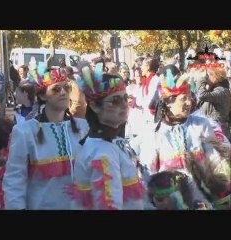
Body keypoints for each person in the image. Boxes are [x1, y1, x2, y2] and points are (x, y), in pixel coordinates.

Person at [136, 70, 230, 209]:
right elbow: (148, 174)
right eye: (183, 99)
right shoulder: (153, 134)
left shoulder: (201, 125)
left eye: (189, 97)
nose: (189, 102)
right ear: (168, 103)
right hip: (170, 202)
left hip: (201, 199)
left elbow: (215, 161)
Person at [3, 63, 89, 210]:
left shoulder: (82, 127)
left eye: (66, 88)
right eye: (56, 89)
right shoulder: (24, 131)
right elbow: (14, 180)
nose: (63, 92)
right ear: (43, 95)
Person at [67, 62, 144, 210]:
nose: (123, 104)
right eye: (115, 101)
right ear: (95, 106)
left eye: (124, 98)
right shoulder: (102, 152)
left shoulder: (112, 141)